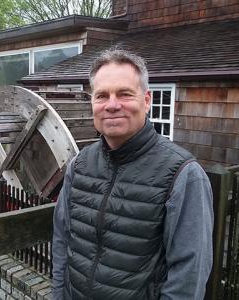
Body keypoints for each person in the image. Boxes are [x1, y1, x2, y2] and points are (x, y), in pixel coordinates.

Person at [52, 49, 213, 300]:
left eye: (125, 94)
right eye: (102, 95)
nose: (112, 105)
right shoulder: (79, 165)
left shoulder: (184, 175)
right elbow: (63, 242)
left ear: (147, 100)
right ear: (92, 102)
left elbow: (189, 275)